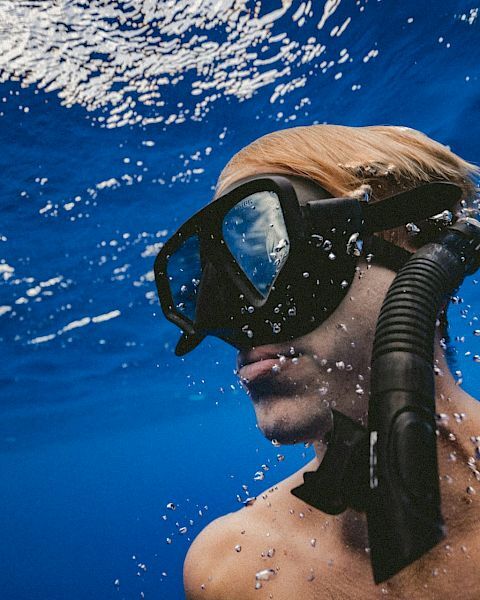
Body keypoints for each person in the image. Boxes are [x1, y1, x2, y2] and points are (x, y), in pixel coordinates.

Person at [155, 125, 480, 599]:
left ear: (421, 251)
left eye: (271, 254)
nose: (235, 318)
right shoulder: (234, 571)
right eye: (210, 281)